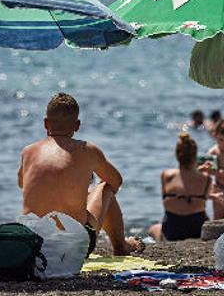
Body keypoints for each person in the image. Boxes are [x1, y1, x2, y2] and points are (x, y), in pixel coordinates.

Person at [18, 93, 141, 255]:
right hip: (73, 246)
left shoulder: (28, 152)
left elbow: (22, 184)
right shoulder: (87, 150)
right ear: (77, 125)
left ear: (45, 123)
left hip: (33, 245)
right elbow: (116, 181)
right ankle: (121, 246)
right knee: (105, 188)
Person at [148, 132, 212, 241]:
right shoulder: (206, 179)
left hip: (172, 234)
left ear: (177, 155)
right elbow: (191, 178)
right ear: (195, 156)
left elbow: (184, 177)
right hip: (197, 232)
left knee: (153, 229)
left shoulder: (166, 176)